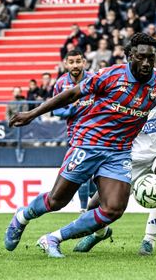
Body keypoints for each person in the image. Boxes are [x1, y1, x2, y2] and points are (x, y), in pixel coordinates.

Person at [5, 33, 156, 258]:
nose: (147, 63)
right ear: (130, 56)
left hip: (119, 151)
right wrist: (33, 113)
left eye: (151, 58)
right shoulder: (110, 75)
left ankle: (52, 238)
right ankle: (22, 217)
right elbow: (71, 93)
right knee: (57, 200)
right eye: (141, 57)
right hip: (88, 143)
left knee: (114, 208)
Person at [75, 67, 156, 256]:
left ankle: (149, 240)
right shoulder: (120, 81)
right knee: (95, 206)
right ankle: (100, 233)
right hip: (133, 152)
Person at [51, 50, 96, 213]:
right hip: (76, 134)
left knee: (92, 177)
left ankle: (93, 208)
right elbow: (56, 111)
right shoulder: (61, 84)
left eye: (78, 61)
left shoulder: (94, 79)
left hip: (97, 132)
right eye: (71, 62)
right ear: (66, 64)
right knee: (83, 173)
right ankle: (85, 210)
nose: (75, 65)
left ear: (84, 62)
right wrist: (72, 108)